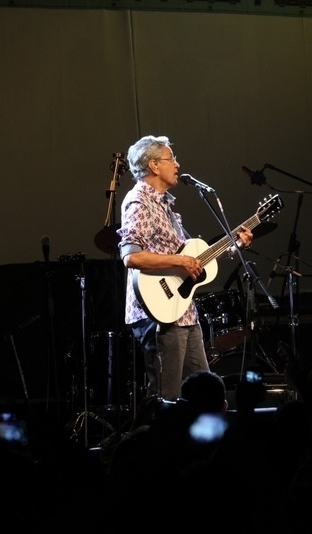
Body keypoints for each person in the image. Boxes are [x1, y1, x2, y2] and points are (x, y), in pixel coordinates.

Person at [117, 135, 254, 401]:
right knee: (166, 397)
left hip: (183, 311)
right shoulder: (139, 201)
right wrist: (180, 261)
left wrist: (235, 245)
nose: (178, 164)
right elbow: (131, 257)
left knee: (207, 395)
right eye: (172, 159)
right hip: (157, 312)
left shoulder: (166, 206)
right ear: (154, 165)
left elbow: (196, 257)